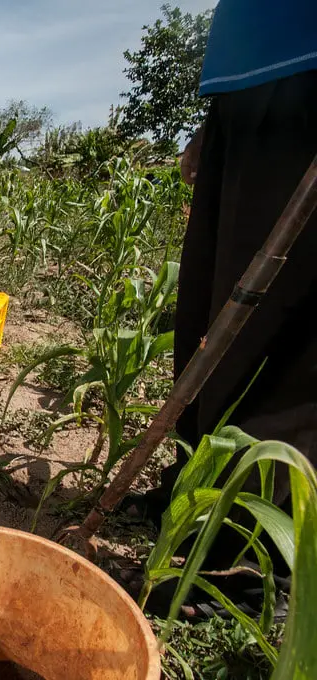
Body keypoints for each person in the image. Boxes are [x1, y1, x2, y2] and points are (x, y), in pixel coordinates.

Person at [138, 1, 316, 617]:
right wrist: (219, 119)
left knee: (285, 345)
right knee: (211, 323)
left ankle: (264, 555)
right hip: (249, 82)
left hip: (304, 78)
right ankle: (198, 497)